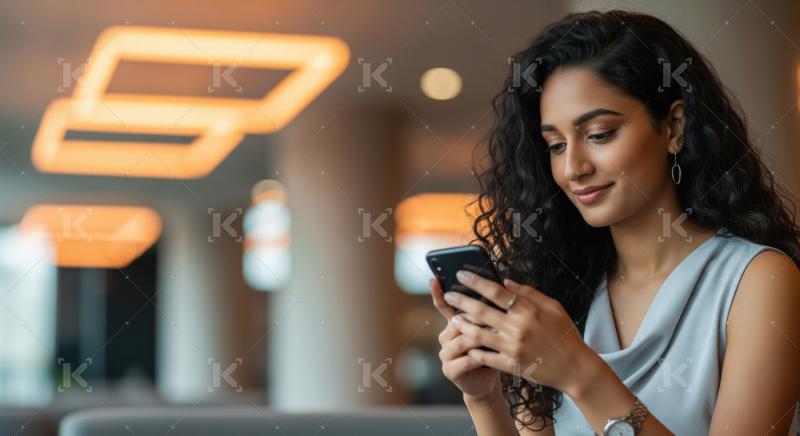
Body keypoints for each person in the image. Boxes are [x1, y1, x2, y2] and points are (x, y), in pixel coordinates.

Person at [430, 9, 800, 436]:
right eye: (554, 145)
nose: (573, 167)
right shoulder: (565, 287)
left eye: (600, 134)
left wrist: (580, 373)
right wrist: (484, 397)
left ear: (673, 127)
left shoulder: (759, 281)